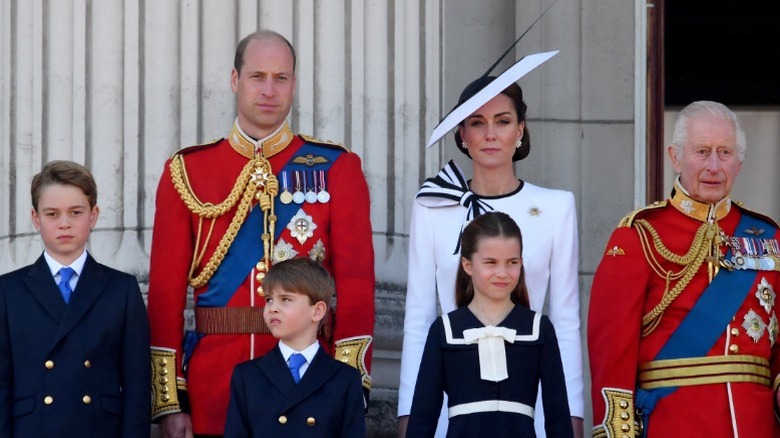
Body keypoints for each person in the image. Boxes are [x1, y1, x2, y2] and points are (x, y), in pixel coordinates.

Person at [147, 30, 375, 437]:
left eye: (281, 78)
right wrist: (170, 400)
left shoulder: (336, 168)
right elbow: (164, 296)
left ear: (293, 83)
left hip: (310, 390)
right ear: (235, 80)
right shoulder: (187, 172)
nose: (269, 90)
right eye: (257, 77)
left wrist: (350, 384)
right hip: (213, 388)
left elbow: (357, 288)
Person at [398, 71, 584, 436]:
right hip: (452, 406)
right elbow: (418, 318)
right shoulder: (432, 205)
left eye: (503, 121)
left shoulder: (556, 207)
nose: (490, 133)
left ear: (520, 130)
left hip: (531, 406)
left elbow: (565, 322)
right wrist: (410, 413)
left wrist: (572, 414)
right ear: (462, 134)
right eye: (477, 123)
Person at [588, 101, 780, 437]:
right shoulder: (640, 235)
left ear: (740, 163)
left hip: (755, 425)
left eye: (725, 153)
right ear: (675, 157)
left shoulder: (768, 237)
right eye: (702, 151)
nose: (714, 166)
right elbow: (611, 352)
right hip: (672, 423)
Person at [0, 160, 151, 437]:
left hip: (98, 429)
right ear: (36, 219)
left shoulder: (122, 289)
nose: (65, 223)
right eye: (52, 214)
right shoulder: (8, 291)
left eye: (76, 212)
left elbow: (137, 386)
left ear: (93, 216)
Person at [406, 212, 573, 437]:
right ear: (467, 265)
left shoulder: (538, 329)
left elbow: (558, 418)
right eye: (491, 263)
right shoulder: (444, 330)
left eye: (512, 262)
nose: (502, 273)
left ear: (521, 263)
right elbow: (422, 420)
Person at [224, 258, 366, 437]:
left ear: (317, 311)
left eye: (285, 299)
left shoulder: (345, 378)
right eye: (269, 299)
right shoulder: (247, 376)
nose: (272, 308)